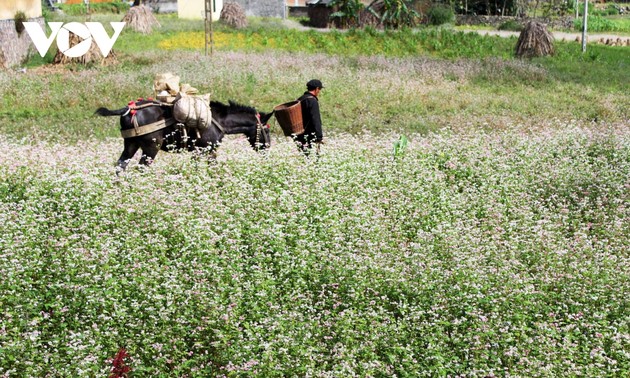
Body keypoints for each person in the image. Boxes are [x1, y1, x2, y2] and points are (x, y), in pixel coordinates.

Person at [295, 79, 325, 155]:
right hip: (309, 134)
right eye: (319, 89)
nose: (319, 91)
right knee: (310, 157)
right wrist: (319, 137)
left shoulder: (300, 99)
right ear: (317, 89)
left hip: (298, 134)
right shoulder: (312, 101)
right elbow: (315, 119)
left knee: (304, 156)